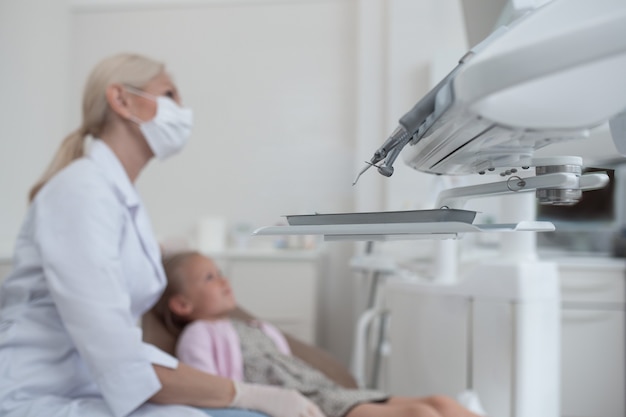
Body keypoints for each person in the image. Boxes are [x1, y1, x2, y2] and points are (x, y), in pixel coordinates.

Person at [0, 53, 324, 417]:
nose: (182, 111)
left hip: (90, 384)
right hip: (36, 392)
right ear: (121, 100)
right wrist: (248, 394)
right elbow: (118, 354)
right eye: (170, 95)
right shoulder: (80, 192)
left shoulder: (117, 196)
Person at [154, 250, 484, 417]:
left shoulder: (256, 327)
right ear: (181, 304)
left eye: (221, 273)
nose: (224, 281)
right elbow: (209, 387)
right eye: (209, 278)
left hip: (329, 390)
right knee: (420, 414)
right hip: (311, 404)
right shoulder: (198, 335)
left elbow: (293, 364)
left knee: (442, 402)